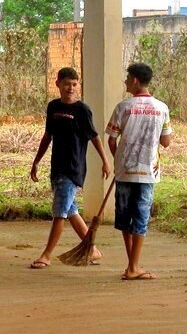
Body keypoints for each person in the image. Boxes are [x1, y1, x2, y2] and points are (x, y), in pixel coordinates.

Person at [28, 67, 111, 269]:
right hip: (57, 167)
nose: (71, 88)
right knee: (70, 209)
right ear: (57, 84)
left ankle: (46, 255)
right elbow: (47, 136)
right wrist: (36, 161)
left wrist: (105, 161)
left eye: (74, 84)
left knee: (60, 212)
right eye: (66, 84)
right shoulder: (53, 107)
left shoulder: (82, 110)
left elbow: (94, 137)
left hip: (73, 169)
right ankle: (92, 249)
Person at [106, 62, 173, 281]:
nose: (125, 82)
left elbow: (111, 140)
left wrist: (118, 160)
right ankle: (133, 266)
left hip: (124, 171)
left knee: (125, 218)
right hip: (148, 172)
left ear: (135, 80)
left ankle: (131, 264)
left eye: (127, 78)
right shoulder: (162, 108)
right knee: (141, 218)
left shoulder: (123, 107)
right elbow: (166, 142)